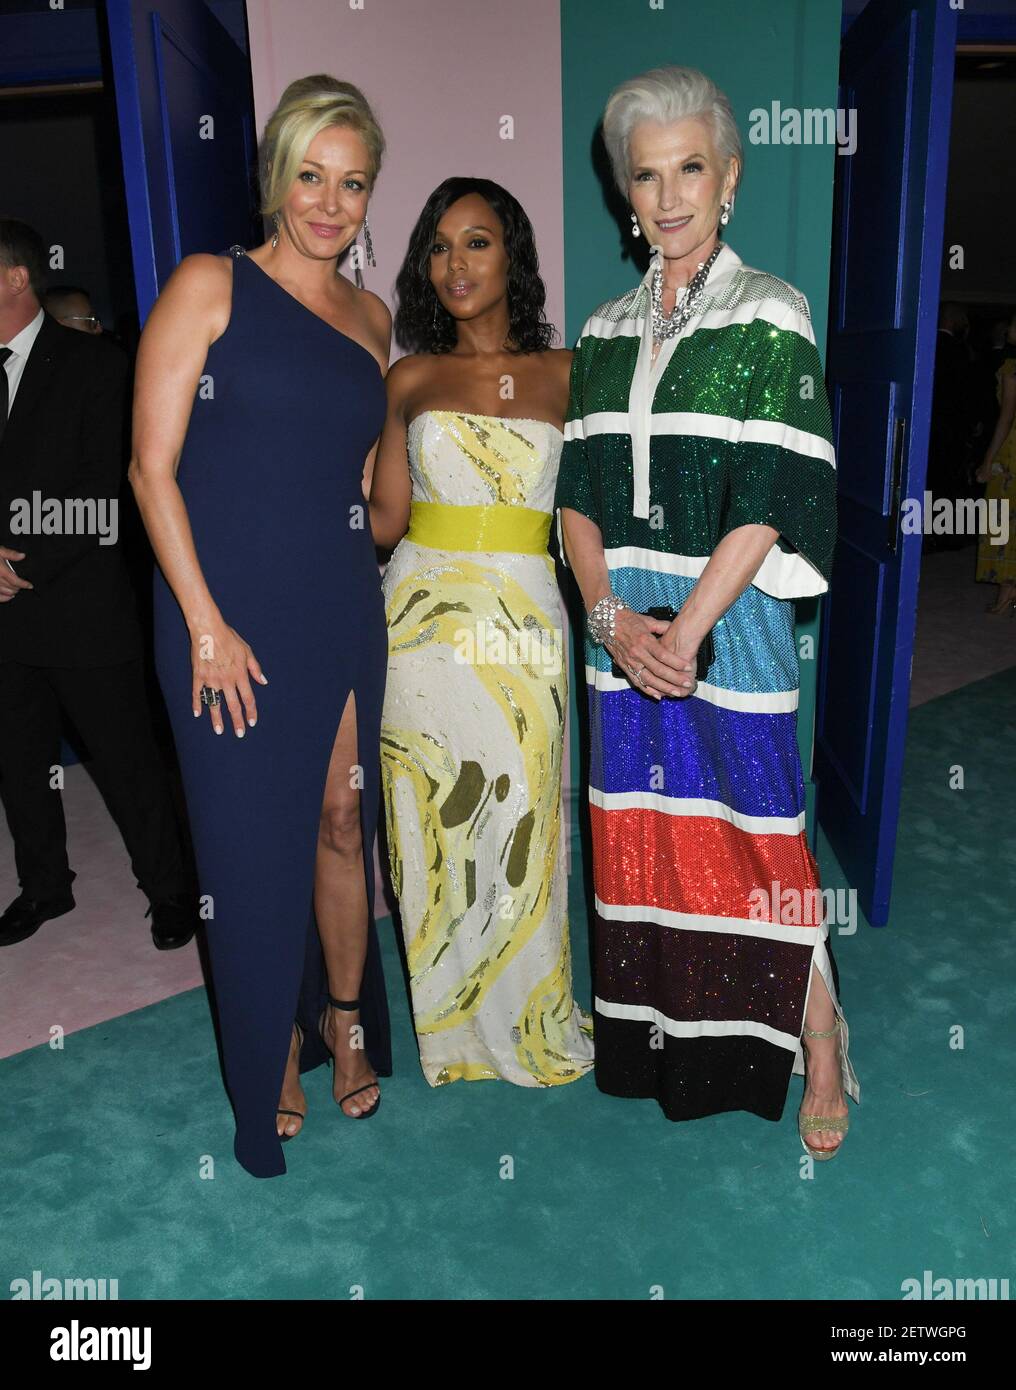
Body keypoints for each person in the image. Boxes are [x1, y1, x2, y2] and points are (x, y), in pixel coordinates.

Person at [554, 66, 859, 1159]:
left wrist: (682, 630)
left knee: (758, 835)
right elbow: (575, 503)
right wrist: (607, 620)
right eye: (646, 173)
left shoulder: (769, 312)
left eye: (690, 167)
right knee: (644, 841)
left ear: (726, 178)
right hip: (619, 637)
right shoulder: (599, 329)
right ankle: (672, 1039)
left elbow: (774, 494)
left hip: (726, 626)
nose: (669, 193)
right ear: (623, 192)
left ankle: (819, 1033)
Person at [129, 75, 393, 1177]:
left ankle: (344, 1020)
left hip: (338, 603)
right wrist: (203, 623)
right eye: (311, 176)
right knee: (247, 850)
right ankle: (267, 1052)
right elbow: (151, 471)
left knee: (340, 821)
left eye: (353, 184)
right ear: (277, 173)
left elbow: (376, 497)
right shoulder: (209, 284)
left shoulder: (374, 319)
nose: (329, 204)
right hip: (219, 614)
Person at [369, 178, 594, 1088]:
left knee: (525, 814)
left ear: (513, 256)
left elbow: (593, 512)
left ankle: (532, 1019)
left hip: (528, 613)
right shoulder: (409, 378)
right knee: (432, 819)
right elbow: (385, 520)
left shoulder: (570, 372)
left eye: (478, 242)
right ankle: (453, 1033)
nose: (456, 263)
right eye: (440, 246)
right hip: (418, 624)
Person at [0, 217, 195, 952]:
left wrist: (18, 566)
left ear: (18, 277)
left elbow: (108, 494)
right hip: (4, 623)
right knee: (19, 766)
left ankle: (170, 891)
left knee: (126, 762)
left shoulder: (96, 366)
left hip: (81, 607)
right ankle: (45, 887)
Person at [974, 308, 1016, 613]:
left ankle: (1007, 589)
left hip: (1011, 451)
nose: (1008, 329)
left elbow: (1006, 417)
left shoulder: (1011, 369)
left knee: (1003, 518)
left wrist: (987, 461)